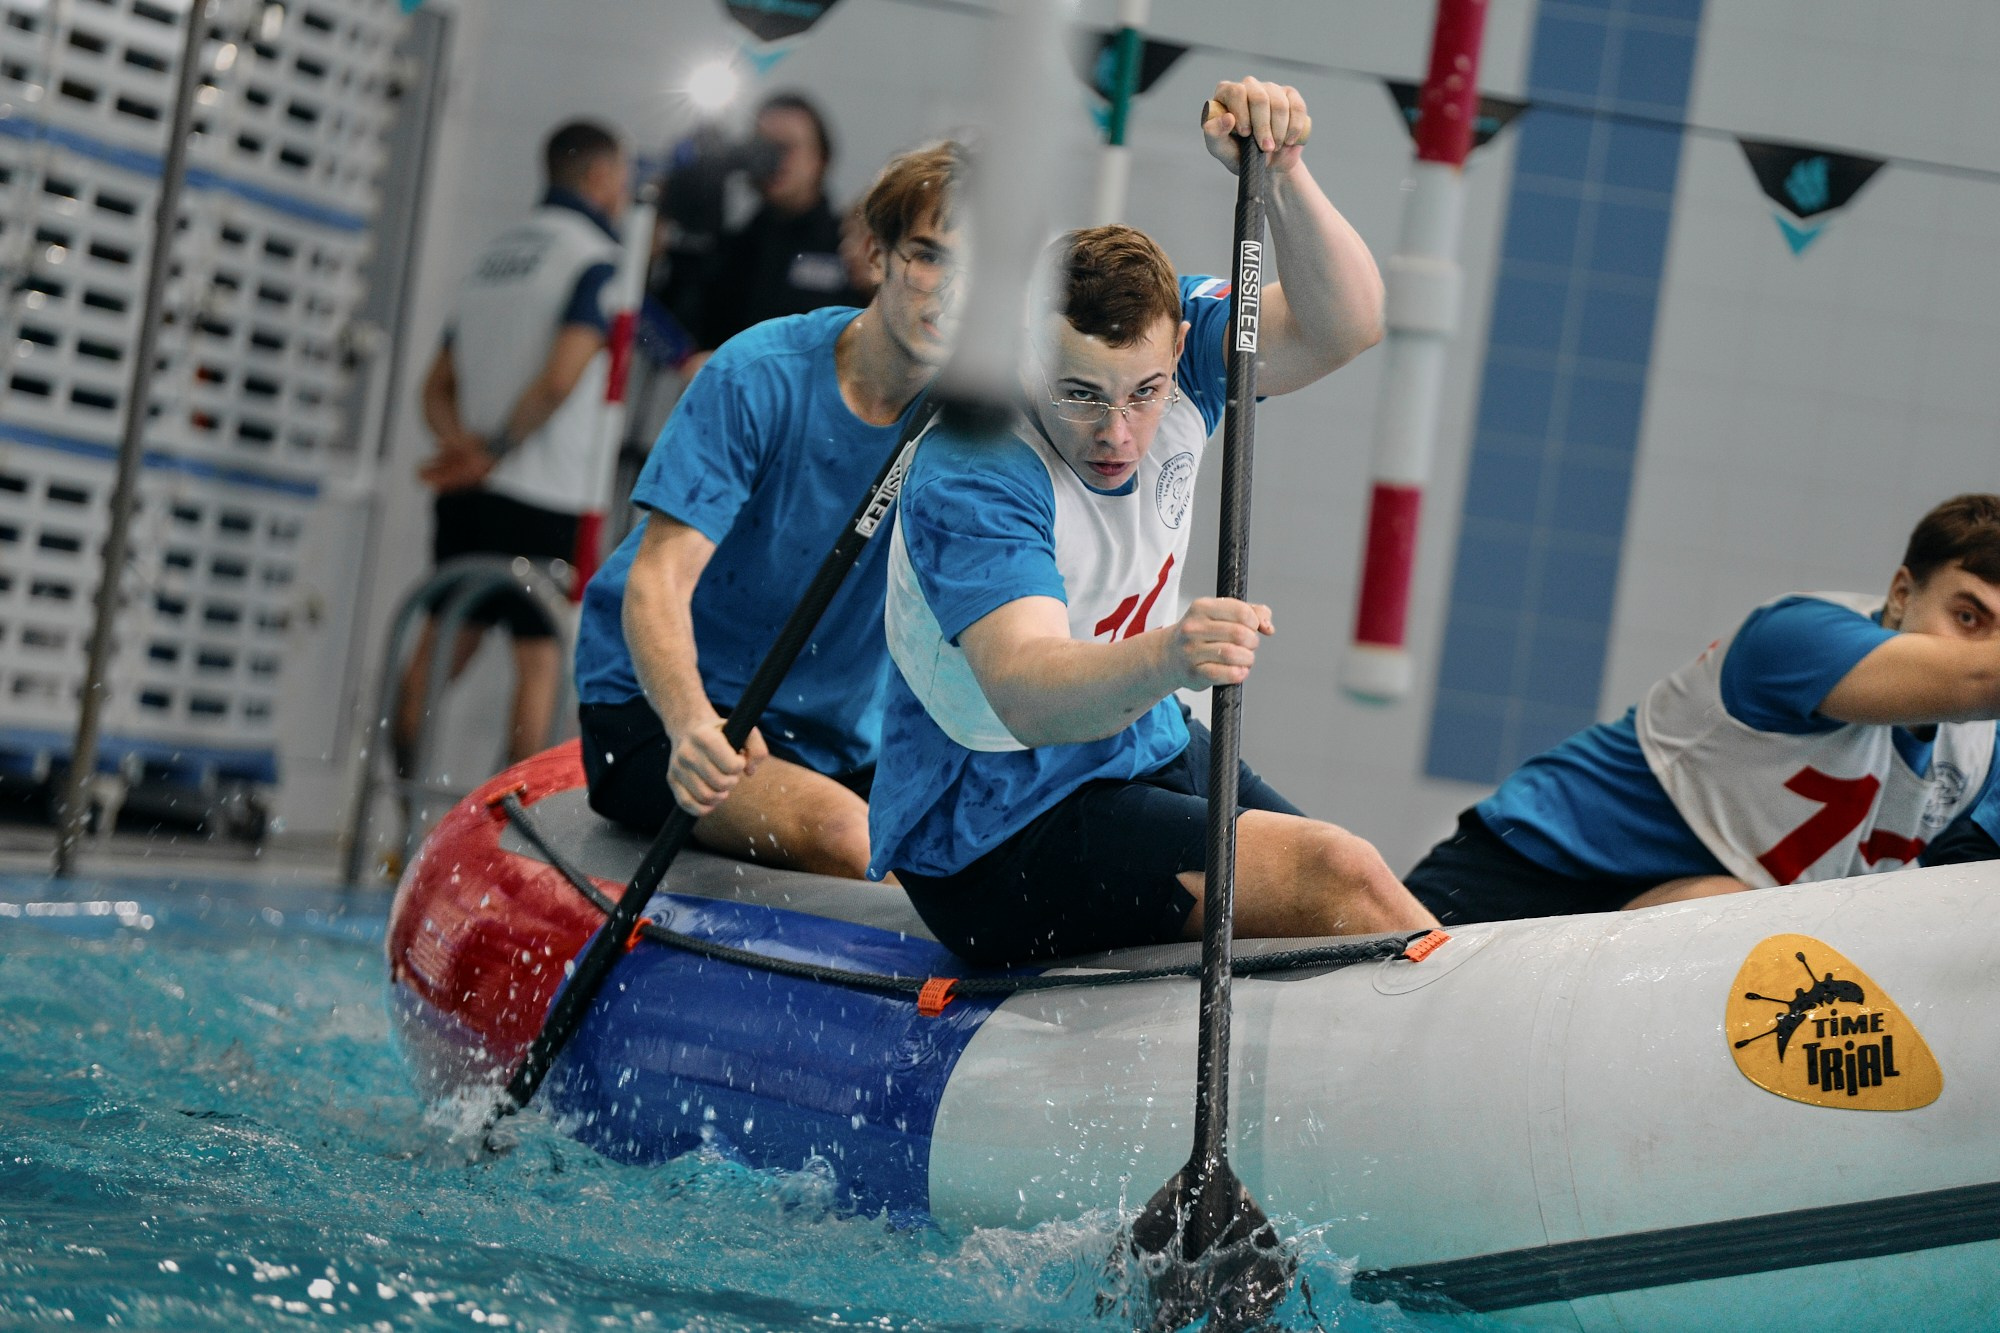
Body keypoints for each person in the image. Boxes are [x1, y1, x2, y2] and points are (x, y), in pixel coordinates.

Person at [866, 79, 1440, 967]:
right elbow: (1026, 691)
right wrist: (1173, 654)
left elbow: (1348, 325)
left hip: (1137, 743)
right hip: (990, 832)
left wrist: (1283, 175)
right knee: (1339, 874)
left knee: (1369, 904)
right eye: (1079, 395)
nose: (1117, 433)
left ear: (1178, 344)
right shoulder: (975, 463)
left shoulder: (1189, 354)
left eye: (1143, 393)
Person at [572, 140, 969, 878]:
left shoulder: (976, 426)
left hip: (841, 744)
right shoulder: (758, 374)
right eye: (928, 256)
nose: (949, 291)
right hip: (666, 711)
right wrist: (691, 721)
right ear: (874, 254)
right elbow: (656, 579)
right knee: (853, 841)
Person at [1404, 492, 2000, 924]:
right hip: (1528, 874)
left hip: (1677, 920)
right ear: (1902, 593)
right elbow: (1975, 678)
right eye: (1967, 617)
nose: (1979, 647)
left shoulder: (1985, 757)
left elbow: (1959, 906)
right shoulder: (1798, 637)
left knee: (1735, 921)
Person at [398, 120, 630, 769]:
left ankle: (390, 818)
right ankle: (514, 839)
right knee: (540, 661)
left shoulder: (492, 257)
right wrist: (496, 447)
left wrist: (464, 449)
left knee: (437, 648)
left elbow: (434, 386)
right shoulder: (595, 260)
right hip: (547, 492)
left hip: (470, 493)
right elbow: (561, 376)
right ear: (600, 177)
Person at [695, 92, 870, 351]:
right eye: (763, 147)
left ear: (820, 158)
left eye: (787, 147)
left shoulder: (849, 248)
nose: (774, 160)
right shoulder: (732, 246)